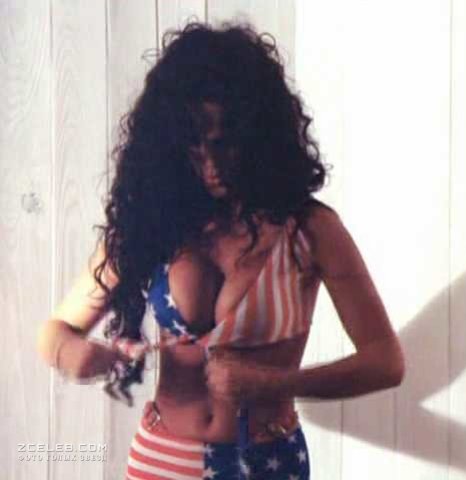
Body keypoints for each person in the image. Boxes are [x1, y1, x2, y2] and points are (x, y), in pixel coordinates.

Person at [37, 22, 404, 480]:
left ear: (258, 135)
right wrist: (72, 355)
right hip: (162, 457)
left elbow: (386, 362)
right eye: (193, 148)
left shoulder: (309, 229)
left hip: (265, 463)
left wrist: (275, 383)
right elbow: (55, 331)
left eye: (224, 145)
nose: (210, 165)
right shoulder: (152, 222)